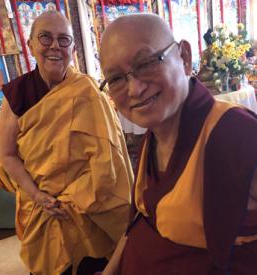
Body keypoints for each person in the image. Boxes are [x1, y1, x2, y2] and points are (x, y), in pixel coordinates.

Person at [99, 14, 257, 274]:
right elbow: (138, 223)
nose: (135, 89)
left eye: (147, 62)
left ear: (184, 57)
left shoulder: (236, 135)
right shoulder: (153, 137)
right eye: (115, 79)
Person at [0, 11, 133, 275]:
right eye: (45, 37)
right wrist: (38, 196)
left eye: (63, 40)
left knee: (94, 264)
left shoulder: (88, 92)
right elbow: (7, 154)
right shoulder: (15, 95)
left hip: (87, 206)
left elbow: (110, 159)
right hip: (40, 204)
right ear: (31, 44)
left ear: (73, 49)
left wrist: (76, 196)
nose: (54, 46)